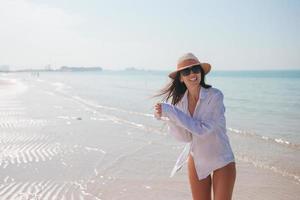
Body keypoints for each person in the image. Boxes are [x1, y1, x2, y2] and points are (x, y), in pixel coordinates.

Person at [154, 53, 236, 200]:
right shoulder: (180, 103)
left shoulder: (215, 96)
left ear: (201, 72)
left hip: (222, 159)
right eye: (186, 71)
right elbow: (185, 137)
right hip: (197, 159)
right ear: (181, 77)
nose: (192, 73)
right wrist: (168, 117)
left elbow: (202, 130)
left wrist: (171, 111)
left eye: (195, 69)